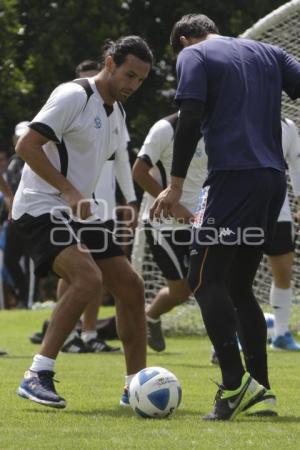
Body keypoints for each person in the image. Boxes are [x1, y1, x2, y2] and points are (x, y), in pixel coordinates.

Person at [151, 14, 300, 420]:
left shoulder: (193, 53)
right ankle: (262, 391)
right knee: (237, 286)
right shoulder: (271, 52)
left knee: (201, 279)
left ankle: (235, 387)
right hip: (272, 181)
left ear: (184, 39)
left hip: (233, 178)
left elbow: (191, 118)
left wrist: (176, 184)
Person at [13, 35, 153, 409]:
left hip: (78, 214)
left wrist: (118, 204)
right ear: (109, 62)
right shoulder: (73, 95)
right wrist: (71, 191)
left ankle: (136, 388)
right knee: (87, 279)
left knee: (131, 287)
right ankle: (36, 374)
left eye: (140, 80)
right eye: (129, 75)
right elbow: (25, 146)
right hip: (39, 207)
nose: (133, 86)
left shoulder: (118, 114)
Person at [59, 59, 137, 353]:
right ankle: (68, 335)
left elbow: (122, 159)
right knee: (75, 271)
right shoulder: (72, 101)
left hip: (101, 204)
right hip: (71, 204)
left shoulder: (115, 111)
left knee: (99, 272)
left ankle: (90, 335)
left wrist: (130, 199)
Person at [133, 112, 207, 351]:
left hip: (203, 222)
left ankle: (222, 348)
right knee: (182, 291)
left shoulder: (219, 127)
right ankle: (150, 316)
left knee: (213, 282)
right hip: (163, 225)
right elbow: (139, 171)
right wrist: (174, 206)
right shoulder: (165, 128)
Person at [266, 118, 300, 350]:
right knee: (235, 273)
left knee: (284, 271)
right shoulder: (235, 111)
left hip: (279, 211)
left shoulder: (287, 126)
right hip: (239, 208)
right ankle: (235, 333)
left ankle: (281, 334)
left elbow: (297, 165)